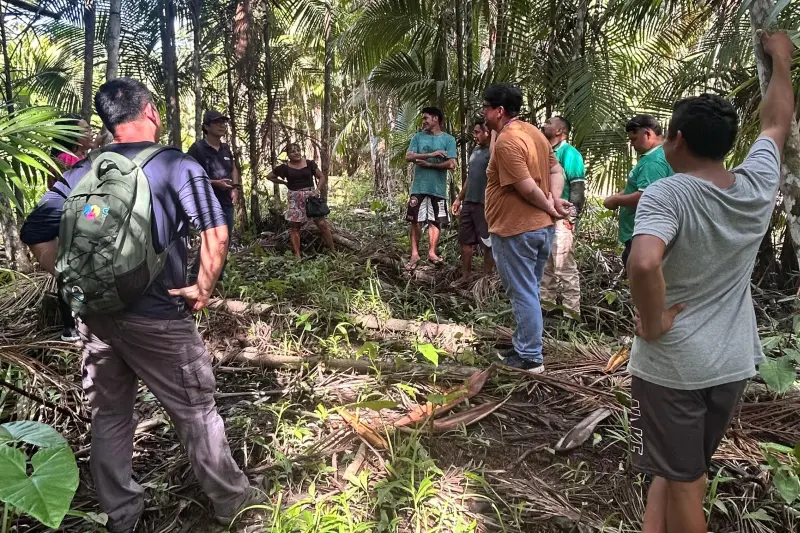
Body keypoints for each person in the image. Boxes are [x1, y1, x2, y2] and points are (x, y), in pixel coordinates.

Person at [19, 78, 263, 533]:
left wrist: (77, 280)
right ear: (150, 111)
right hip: (158, 318)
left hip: (95, 321)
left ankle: (120, 516)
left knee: (109, 416)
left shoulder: (82, 172)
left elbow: (35, 233)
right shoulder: (174, 165)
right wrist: (202, 288)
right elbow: (216, 231)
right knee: (196, 410)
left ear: (109, 122)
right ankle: (237, 507)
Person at [627, 32, 795, 533]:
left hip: (674, 365)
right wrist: (781, 61)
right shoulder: (756, 184)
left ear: (675, 139)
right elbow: (776, 121)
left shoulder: (668, 195)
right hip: (730, 361)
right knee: (677, 468)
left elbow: (643, 264)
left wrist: (654, 321)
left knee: (686, 482)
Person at [482, 83, 570, 374]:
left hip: (515, 230)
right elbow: (556, 170)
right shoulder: (533, 132)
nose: (483, 112)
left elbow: (526, 188)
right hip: (538, 230)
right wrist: (555, 200)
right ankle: (524, 344)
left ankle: (531, 357)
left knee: (522, 292)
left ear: (499, 110)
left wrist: (550, 205)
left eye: (486, 107)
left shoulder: (509, 141)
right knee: (529, 289)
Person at [603, 114, 672, 270]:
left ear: (648, 133)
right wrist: (620, 194)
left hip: (643, 231)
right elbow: (641, 186)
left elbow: (647, 196)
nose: (632, 144)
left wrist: (615, 201)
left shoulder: (653, 161)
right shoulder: (659, 155)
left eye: (634, 139)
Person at [49, 116, 95, 341]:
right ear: (71, 135)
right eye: (86, 131)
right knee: (72, 273)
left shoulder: (78, 158)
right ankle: (71, 325)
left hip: (80, 221)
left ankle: (77, 323)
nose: (90, 134)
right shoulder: (66, 159)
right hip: (72, 223)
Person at [540, 116, 585, 317]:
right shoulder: (544, 152)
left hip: (560, 217)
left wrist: (570, 217)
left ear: (560, 130)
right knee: (545, 266)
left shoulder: (570, 153)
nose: (544, 124)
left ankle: (571, 314)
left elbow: (577, 187)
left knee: (564, 266)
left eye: (549, 122)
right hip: (543, 217)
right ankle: (546, 307)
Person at [187, 110, 240, 279]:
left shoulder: (225, 148)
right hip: (206, 201)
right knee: (211, 240)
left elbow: (233, 168)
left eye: (223, 122)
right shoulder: (197, 149)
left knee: (225, 240)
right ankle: (195, 276)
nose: (222, 125)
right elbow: (189, 175)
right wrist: (214, 183)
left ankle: (218, 276)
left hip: (226, 201)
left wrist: (235, 187)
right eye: (217, 123)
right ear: (206, 127)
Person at [404, 107, 457, 269]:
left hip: (438, 189)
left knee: (435, 222)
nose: (424, 121)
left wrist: (429, 165)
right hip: (418, 188)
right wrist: (430, 155)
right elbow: (408, 156)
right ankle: (414, 253)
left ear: (435, 119)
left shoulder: (449, 140)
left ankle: (432, 253)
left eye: (426, 118)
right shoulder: (418, 138)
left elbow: (452, 163)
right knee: (415, 221)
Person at [266, 142, 335, 258]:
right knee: (295, 227)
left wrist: (317, 189)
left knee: (322, 224)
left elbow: (321, 176)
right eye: (293, 151)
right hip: (294, 198)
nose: (296, 153)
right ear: (288, 154)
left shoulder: (309, 164)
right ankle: (297, 255)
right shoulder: (284, 168)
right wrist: (283, 182)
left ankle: (333, 250)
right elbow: (269, 176)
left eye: (298, 150)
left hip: (311, 197)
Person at [452, 120, 494, 284]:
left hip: (485, 204)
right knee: (465, 240)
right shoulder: (476, 150)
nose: (474, 135)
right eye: (474, 132)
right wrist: (459, 198)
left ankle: (486, 279)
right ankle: (466, 275)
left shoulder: (493, 152)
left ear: (487, 133)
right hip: (469, 202)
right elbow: (470, 177)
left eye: (477, 132)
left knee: (487, 242)